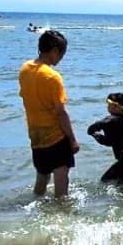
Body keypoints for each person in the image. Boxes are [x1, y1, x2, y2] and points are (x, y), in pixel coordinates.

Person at [19, 29, 80, 198]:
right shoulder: (53, 77)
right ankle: (62, 218)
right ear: (54, 51)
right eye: (62, 54)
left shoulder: (25, 69)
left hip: (36, 137)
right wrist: (73, 140)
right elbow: (61, 113)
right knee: (61, 184)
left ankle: (36, 211)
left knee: (41, 180)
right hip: (55, 137)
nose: (61, 58)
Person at [86, 92, 123, 183]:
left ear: (115, 107)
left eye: (109, 104)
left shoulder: (109, 120)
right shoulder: (122, 120)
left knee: (104, 181)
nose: (108, 107)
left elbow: (91, 129)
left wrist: (95, 134)